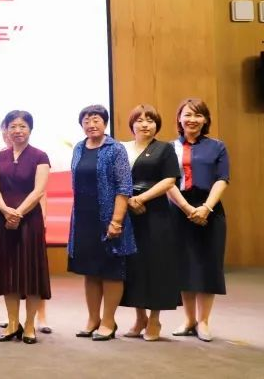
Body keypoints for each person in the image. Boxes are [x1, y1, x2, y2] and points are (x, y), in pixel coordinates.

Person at [68, 105, 135, 341]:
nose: (91, 124)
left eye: (96, 120)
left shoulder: (115, 148)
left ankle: (108, 321)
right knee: (90, 271)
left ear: (105, 123)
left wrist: (116, 221)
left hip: (108, 218)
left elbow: (124, 187)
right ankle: (93, 319)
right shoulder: (79, 147)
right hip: (83, 218)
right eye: (86, 120)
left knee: (111, 272)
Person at [167, 98, 229, 343]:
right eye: (187, 115)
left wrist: (206, 208)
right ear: (179, 119)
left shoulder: (217, 147)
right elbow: (168, 181)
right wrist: (186, 208)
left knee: (208, 264)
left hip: (210, 208)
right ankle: (189, 320)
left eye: (198, 115)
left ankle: (204, 321)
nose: (192, 120)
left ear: (205, 120)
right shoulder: (169, 148)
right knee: (184, 264)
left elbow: (222, 179)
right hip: (178, 208)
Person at [0, 110, 51, 344]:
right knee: (9, 273)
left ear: (30, 129)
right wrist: (6, 210)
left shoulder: (40, 156)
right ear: (6, 129)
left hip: (29, 221)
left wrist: (18, 213)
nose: (17, 131)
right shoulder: (0, 156)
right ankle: (12, 324)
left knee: (30, 273)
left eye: (22, 126)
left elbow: (39, 191)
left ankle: (30, 325)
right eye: (13, 126)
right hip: (3, 220)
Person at [120, 104, 181, 341]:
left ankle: (155, 319)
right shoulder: (122, 148)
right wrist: (129, 201)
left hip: (156, 213)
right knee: (134, 265)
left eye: (150, 120)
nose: (145, 124)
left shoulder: (165, 149)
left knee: (156, 265)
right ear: (132, 124)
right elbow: (117, 178)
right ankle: (140, 318)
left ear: (157, 125)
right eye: (140, 120)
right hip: (128, 212)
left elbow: (169, 180)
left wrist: (142, 198)